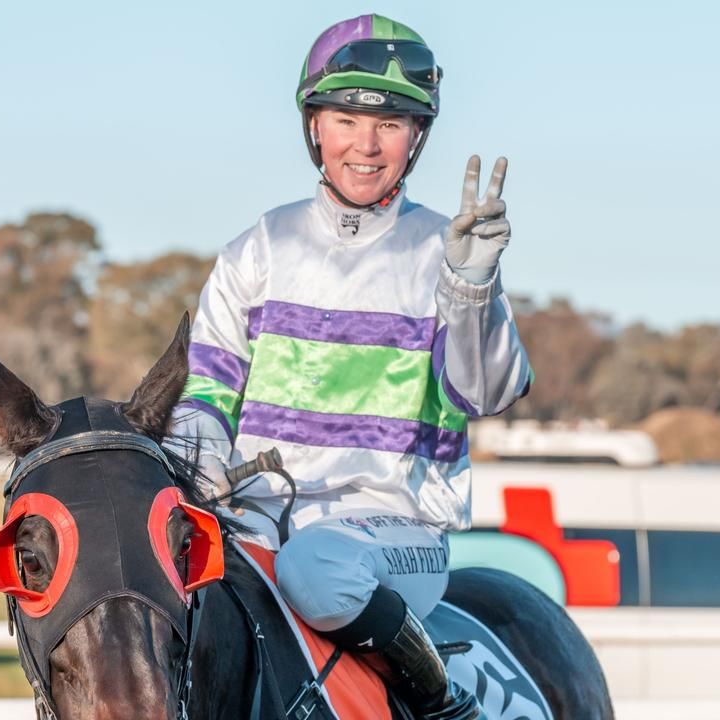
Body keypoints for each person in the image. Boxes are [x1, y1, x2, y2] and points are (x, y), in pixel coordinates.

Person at [170, 14, 531, 720]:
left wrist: (472, 287)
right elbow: (205, 395)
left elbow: (485, 392)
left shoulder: (446, 250)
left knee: (317, 569)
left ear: (416, 137)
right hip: (255, 524)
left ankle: (441, 699)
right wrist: (198, 467)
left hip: (394, 535)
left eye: (390, 124)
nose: (366, 145)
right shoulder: (257, 248)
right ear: (315, 126)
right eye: (346, 120)